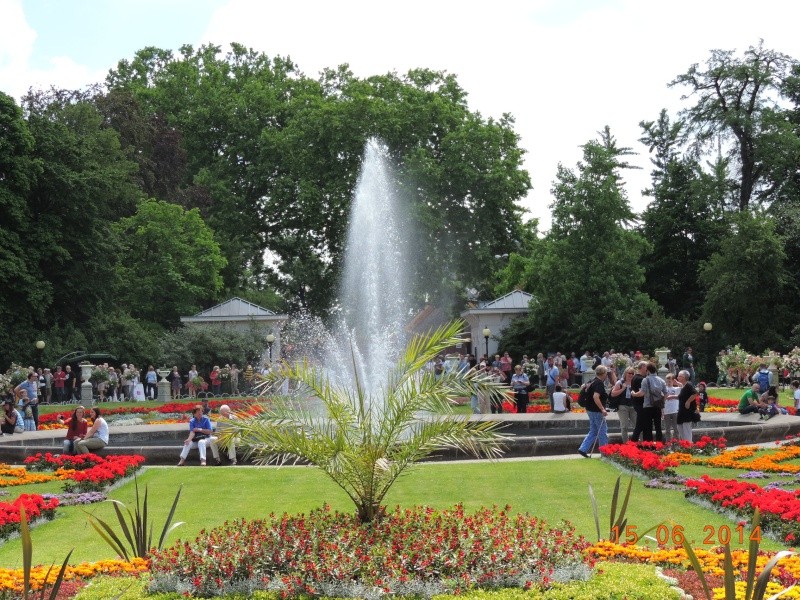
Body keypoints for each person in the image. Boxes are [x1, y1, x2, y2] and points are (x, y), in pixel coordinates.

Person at [578, 365, 609, 457]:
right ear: (603, 373)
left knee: (594, 430)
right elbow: (596, 396)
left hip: (589, 409)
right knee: (602, 430)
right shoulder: (599, 383)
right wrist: (602, 409)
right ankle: (605, 452)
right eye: (606, 373)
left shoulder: (591, 381)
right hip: (596, 410)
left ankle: (583, 448)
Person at [639, 363, 665, 442]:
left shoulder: (645, 380)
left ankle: (648, 445)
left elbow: (642, 393)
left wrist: (634, 394)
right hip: (658, 406)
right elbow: (666, 393)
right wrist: (662, 401)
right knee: (658, 426)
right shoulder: (661, 380)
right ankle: (659, 444)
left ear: (648, 371)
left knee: (648, 427)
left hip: (648, 405)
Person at [610, 367, 636, 441]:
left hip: (633, 406)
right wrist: (623, 389)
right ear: (625, 373)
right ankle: (626, 444)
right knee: (624, 426)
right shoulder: (620, 382)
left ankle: (639, 443)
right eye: (629, 373)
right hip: (622, 406)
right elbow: (613, 394)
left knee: (637, 426)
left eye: (632, 373)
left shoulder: (635, 382)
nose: (630, 375)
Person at [675, 370, 698, 442]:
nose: (678, 377)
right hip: (681, 411)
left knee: (686, 429)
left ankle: (688, 446)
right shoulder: (684, 386)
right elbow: (681, 396)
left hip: (687, 412)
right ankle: (684, 444)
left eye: (679, 376)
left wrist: (688, 401)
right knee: (679, 427)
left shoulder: (688, 385)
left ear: (684, 377)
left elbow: (695, 393)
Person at [663, 373, 681, 441]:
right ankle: (668, 443)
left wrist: (677, 382)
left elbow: (682, 387)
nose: (668, 383)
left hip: (675, 410)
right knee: (667, 429)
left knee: (676, 428)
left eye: (670, 381)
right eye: (667, 381)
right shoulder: (664, 389)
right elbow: (662, 399)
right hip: (666, 411)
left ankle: (677, 443)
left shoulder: (676, 389)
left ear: (673, 381)